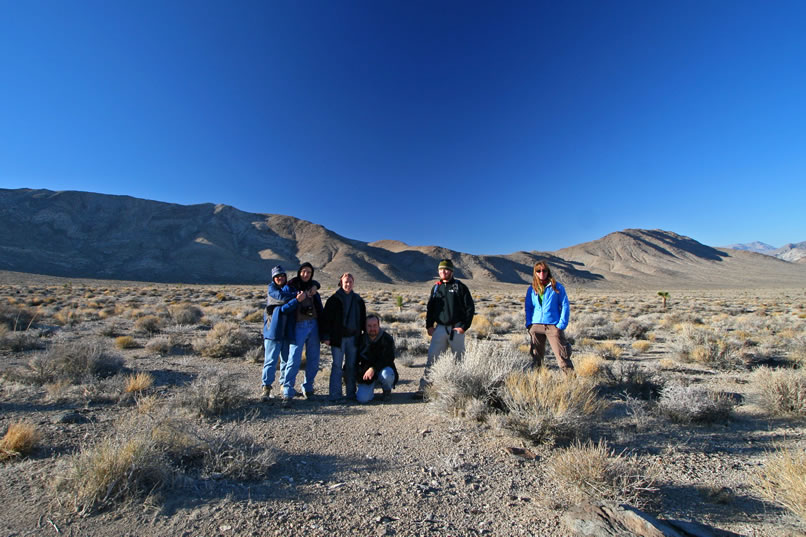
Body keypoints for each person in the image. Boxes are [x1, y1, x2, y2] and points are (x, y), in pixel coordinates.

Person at [415, 259, 475, 398]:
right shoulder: (436, 288)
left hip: (456, 329)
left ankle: (460, 390)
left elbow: (470, 308)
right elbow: (430, 308)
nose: (443, 272)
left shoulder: (460, 287)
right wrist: (429, 325)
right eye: (441, 269)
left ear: (452, 271)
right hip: (440, 329)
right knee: (432, 358)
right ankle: (425, 388)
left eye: (446, 269)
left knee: (459, 360)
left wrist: (464, 327)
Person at [261, 265, 305, 401]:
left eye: (282, 276)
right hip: (273, 331)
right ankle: (266, 387)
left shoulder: (289, 289)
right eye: (277, 276)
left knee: (286, 360)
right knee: (271, 361)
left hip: (287, 330)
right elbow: (283, 301)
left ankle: (283, 386)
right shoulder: (272, 289)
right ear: (273, 278)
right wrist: (296, 299)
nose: (280, 278)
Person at [322, 273, 366, 401]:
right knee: (336, 366)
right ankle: (335, 394)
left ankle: (351, 393)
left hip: (354, 338)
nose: (348, 284)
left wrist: (364, 336)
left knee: (351, 366)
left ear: (353, 283)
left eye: (350, 282)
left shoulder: (358, 300)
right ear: (341, 282)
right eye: (346, 281)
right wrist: (326, 336)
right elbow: (326, 320)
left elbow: (363, 319)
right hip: (338, 338)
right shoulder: (333, 299)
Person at [524, 260, 574, 373]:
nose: (541, 273)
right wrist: (529, 324)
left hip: (553, 326)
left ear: (548, 272)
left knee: (563, 358)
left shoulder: (557, 287)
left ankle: (572, 384)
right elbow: (528, 307)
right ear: (535, 273)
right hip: (536, 326)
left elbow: (565, 305)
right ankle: (538, 382)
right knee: (536, 358)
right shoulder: (532, 289)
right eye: (538, 271)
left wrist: (561, 324)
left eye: (544, 270)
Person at [284, 262, 323, 400]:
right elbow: (286, 298)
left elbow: (317, 284)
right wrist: (298, 297)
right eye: (304, 272)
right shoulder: (291, 285)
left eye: (309, 272)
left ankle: (308, 387)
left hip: (314, 325)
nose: (306, 274)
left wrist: (314, 287)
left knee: (314, 358)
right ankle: (287, 389)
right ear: (299, 272)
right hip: (298, 325)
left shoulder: (313, 287)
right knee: (294, 357)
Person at [356, 314, 398, 403]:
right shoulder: (361, 340)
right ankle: (368, 389)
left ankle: (386, 390)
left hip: (383, 368)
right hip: (366, 372)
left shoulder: (387, 339)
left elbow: (388, 358)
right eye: (369, 326)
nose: (372, 328)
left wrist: (373, 368)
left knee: (387, 374)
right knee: (362, 399)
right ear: (365, 327)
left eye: (375, 325)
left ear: (379, 325)